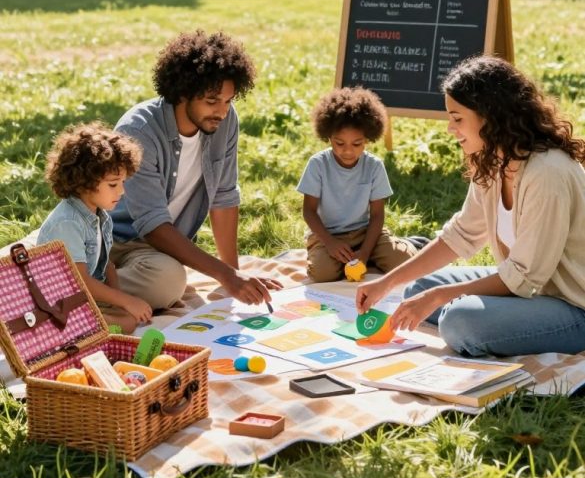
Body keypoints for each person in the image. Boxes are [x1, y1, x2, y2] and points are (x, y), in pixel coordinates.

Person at [356, 55, 585, 358]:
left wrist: (439, 297)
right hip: (530, 291)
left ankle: (491, 322)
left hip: (572, 306)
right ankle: (495, 319)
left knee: (459, 321)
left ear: (489, 116)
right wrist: (387, 282)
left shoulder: (546, 174)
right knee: (416, 288)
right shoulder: (493, 160)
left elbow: (525, 277)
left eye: (458, 118)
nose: (450, 128)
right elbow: (460, 235)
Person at [110, 30, 281, 309]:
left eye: (229, 100)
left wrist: (233, 273)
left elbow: (224, 196)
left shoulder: (224, 121)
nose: (222, 111)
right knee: (168, 283)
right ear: (182, 93)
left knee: (168, 277)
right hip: (117, 242)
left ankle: (95, 284)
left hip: (156, 253)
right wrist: (227, 276)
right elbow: (152, 225)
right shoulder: (139, 131)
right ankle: (80, 287)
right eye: (212, 101)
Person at [38, 123, 153, 333]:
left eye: (123, 182)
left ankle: (97, 323)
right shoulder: (68, 223)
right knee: (126, 322)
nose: (121, 191)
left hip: (85, 300)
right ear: (84, 181)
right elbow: (79, 280)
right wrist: (126, 301)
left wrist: (120, 303)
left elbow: (106, 264)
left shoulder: (101, 217)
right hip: (58, 306)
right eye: (113, 184)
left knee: (128, 318)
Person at [298, 86, 420, 282]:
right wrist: (330, 243)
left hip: (366, 233)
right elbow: (309, 211)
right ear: (328, 136)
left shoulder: (374, 166)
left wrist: (363, 253)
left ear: (368, 139)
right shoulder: (317, 164)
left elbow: (378, 215)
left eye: (357, 144)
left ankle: (409, 244)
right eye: (339, 143)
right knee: (323, 274)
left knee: (405, 262)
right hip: (328, 235)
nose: (348, 151)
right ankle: (357, 258)